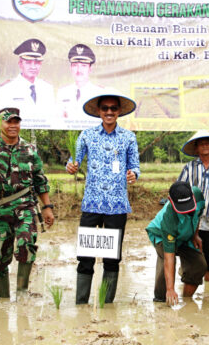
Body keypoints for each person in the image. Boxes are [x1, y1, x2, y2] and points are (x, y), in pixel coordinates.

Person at [66, 93, 140, 304]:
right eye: (105, 108)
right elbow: (74, 160)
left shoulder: (128, 138)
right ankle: (81, 303)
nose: (109, 112)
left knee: (112, 258)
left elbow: (135, 166)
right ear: (99, 112)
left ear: (119, 112)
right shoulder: (87, 135)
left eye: (113, 108)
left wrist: (133, 174)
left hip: (117, 206)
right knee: (86, 257)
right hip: (91, 204)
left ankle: (107, 305)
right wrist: (71, 166)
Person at [0, 107, 55, 299]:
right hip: (0, 208)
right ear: (0, 124)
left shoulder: (29, 149)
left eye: (16, 122)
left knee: (27, 245)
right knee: (1, 257)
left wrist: (47, 207)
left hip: (25, 206)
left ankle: (22, 294)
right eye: (8, 122)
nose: (12, 126)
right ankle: (3, 300)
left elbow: (39, 179)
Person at [146, 181, 207, 305]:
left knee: (199, 265)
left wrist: (195, 235)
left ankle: (187, 300)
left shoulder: (198, 195)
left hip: (186, 234)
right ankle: (160, 301)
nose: (185, 211)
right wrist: (170, 289)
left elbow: (198, 214)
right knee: (166, 266)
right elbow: (169, 257)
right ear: (170, 200)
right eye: (181, 208)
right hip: (161, 235)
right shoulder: (169, 219)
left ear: (192, 195)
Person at [178, 130, 209, 282]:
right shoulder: (189, 167)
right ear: (196, 149)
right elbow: (180, 190)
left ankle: (207, 290)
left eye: (207, 143)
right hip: (193, 219)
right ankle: (188, 278)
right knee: (192, 255)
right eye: (201, 144)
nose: (205, 146)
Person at [0, 39, 56, 125]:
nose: (33, 66)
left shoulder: (47, 88)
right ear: (20, 64)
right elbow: (0, 119)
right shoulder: (6, 89)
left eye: (37, 62)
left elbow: (53, 118)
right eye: (28, 62)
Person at [56, 44, 105, 128]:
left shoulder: (99, 93)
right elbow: (58, 121)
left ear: (90, 69)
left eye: (83, 66)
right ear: (71, 68)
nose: (79, 70)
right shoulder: (62, 93)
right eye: (75, 65)